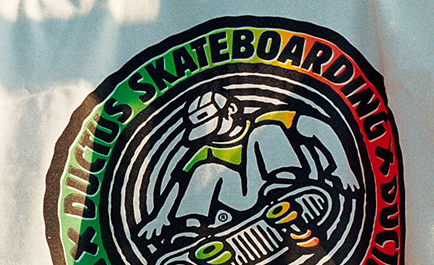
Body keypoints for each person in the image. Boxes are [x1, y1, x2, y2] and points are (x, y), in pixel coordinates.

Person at [137, 89, 359, 242]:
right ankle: (191, 225)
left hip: (274, 183)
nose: (208, 132)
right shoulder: (206, 151)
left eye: (210, 122)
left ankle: (282, 183)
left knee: (263, 131)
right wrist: (161, 216)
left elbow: (317, 126)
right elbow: (179, 184)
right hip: (245, 198)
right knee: (203, 169)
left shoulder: (268, 120)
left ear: (231, 110)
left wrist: (342, 166)